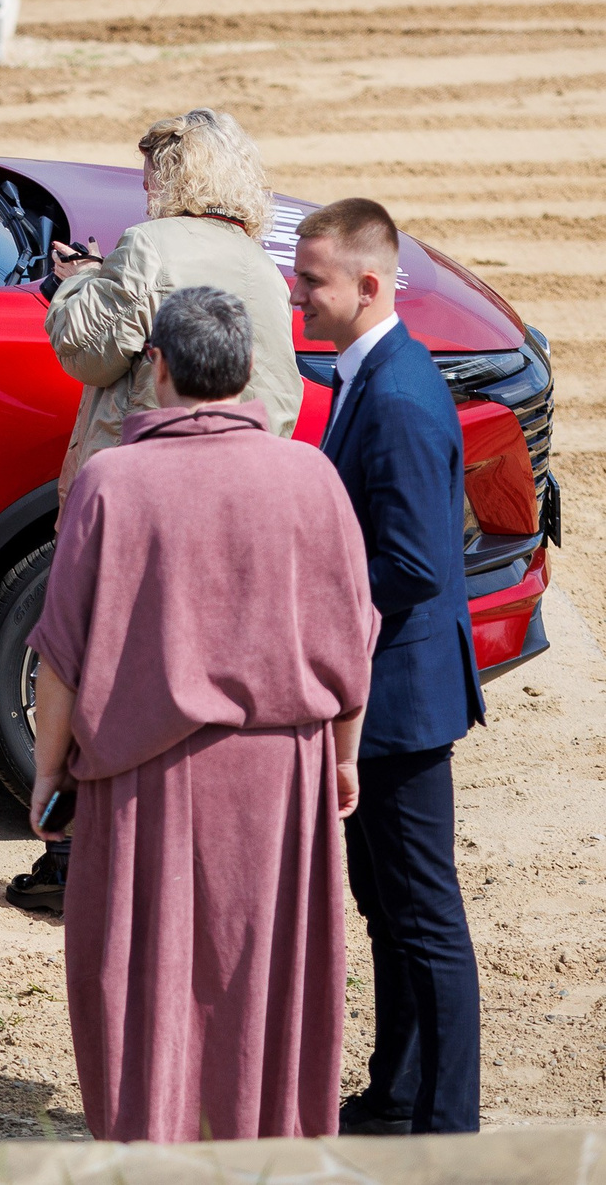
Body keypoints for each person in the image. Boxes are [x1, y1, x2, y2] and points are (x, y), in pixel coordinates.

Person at [28, 286, 377, 1141]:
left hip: (145, 782)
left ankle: (155, 1146)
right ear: (250, 369)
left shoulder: (111, 482)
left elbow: (61, 660)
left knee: (147, 982)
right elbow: (351, 644)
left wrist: (46, 773)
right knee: (267, 978)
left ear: (156, 367)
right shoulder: (310, 475)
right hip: (280, 774)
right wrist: (342, 756)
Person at [11, 106, 302, 915]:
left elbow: (89, 351)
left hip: (138, 489)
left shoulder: (147, 247)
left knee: (93, 669)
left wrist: (73, 286)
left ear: (173, 178)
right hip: (238, 497)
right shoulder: (262, 268)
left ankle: (72, 854)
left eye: (149, 176)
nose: (141, 191)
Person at [291, 197, 485, 1136]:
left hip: (401, 701)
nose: (298, 297)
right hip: (390, 690)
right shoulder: (377, 374)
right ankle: (400, 1094)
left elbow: (409, 562)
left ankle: (447, 1129)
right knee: (388, 908)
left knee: (422, 918)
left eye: (312, 281)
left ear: (370, 284)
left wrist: (310, 598)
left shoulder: (400, 396)